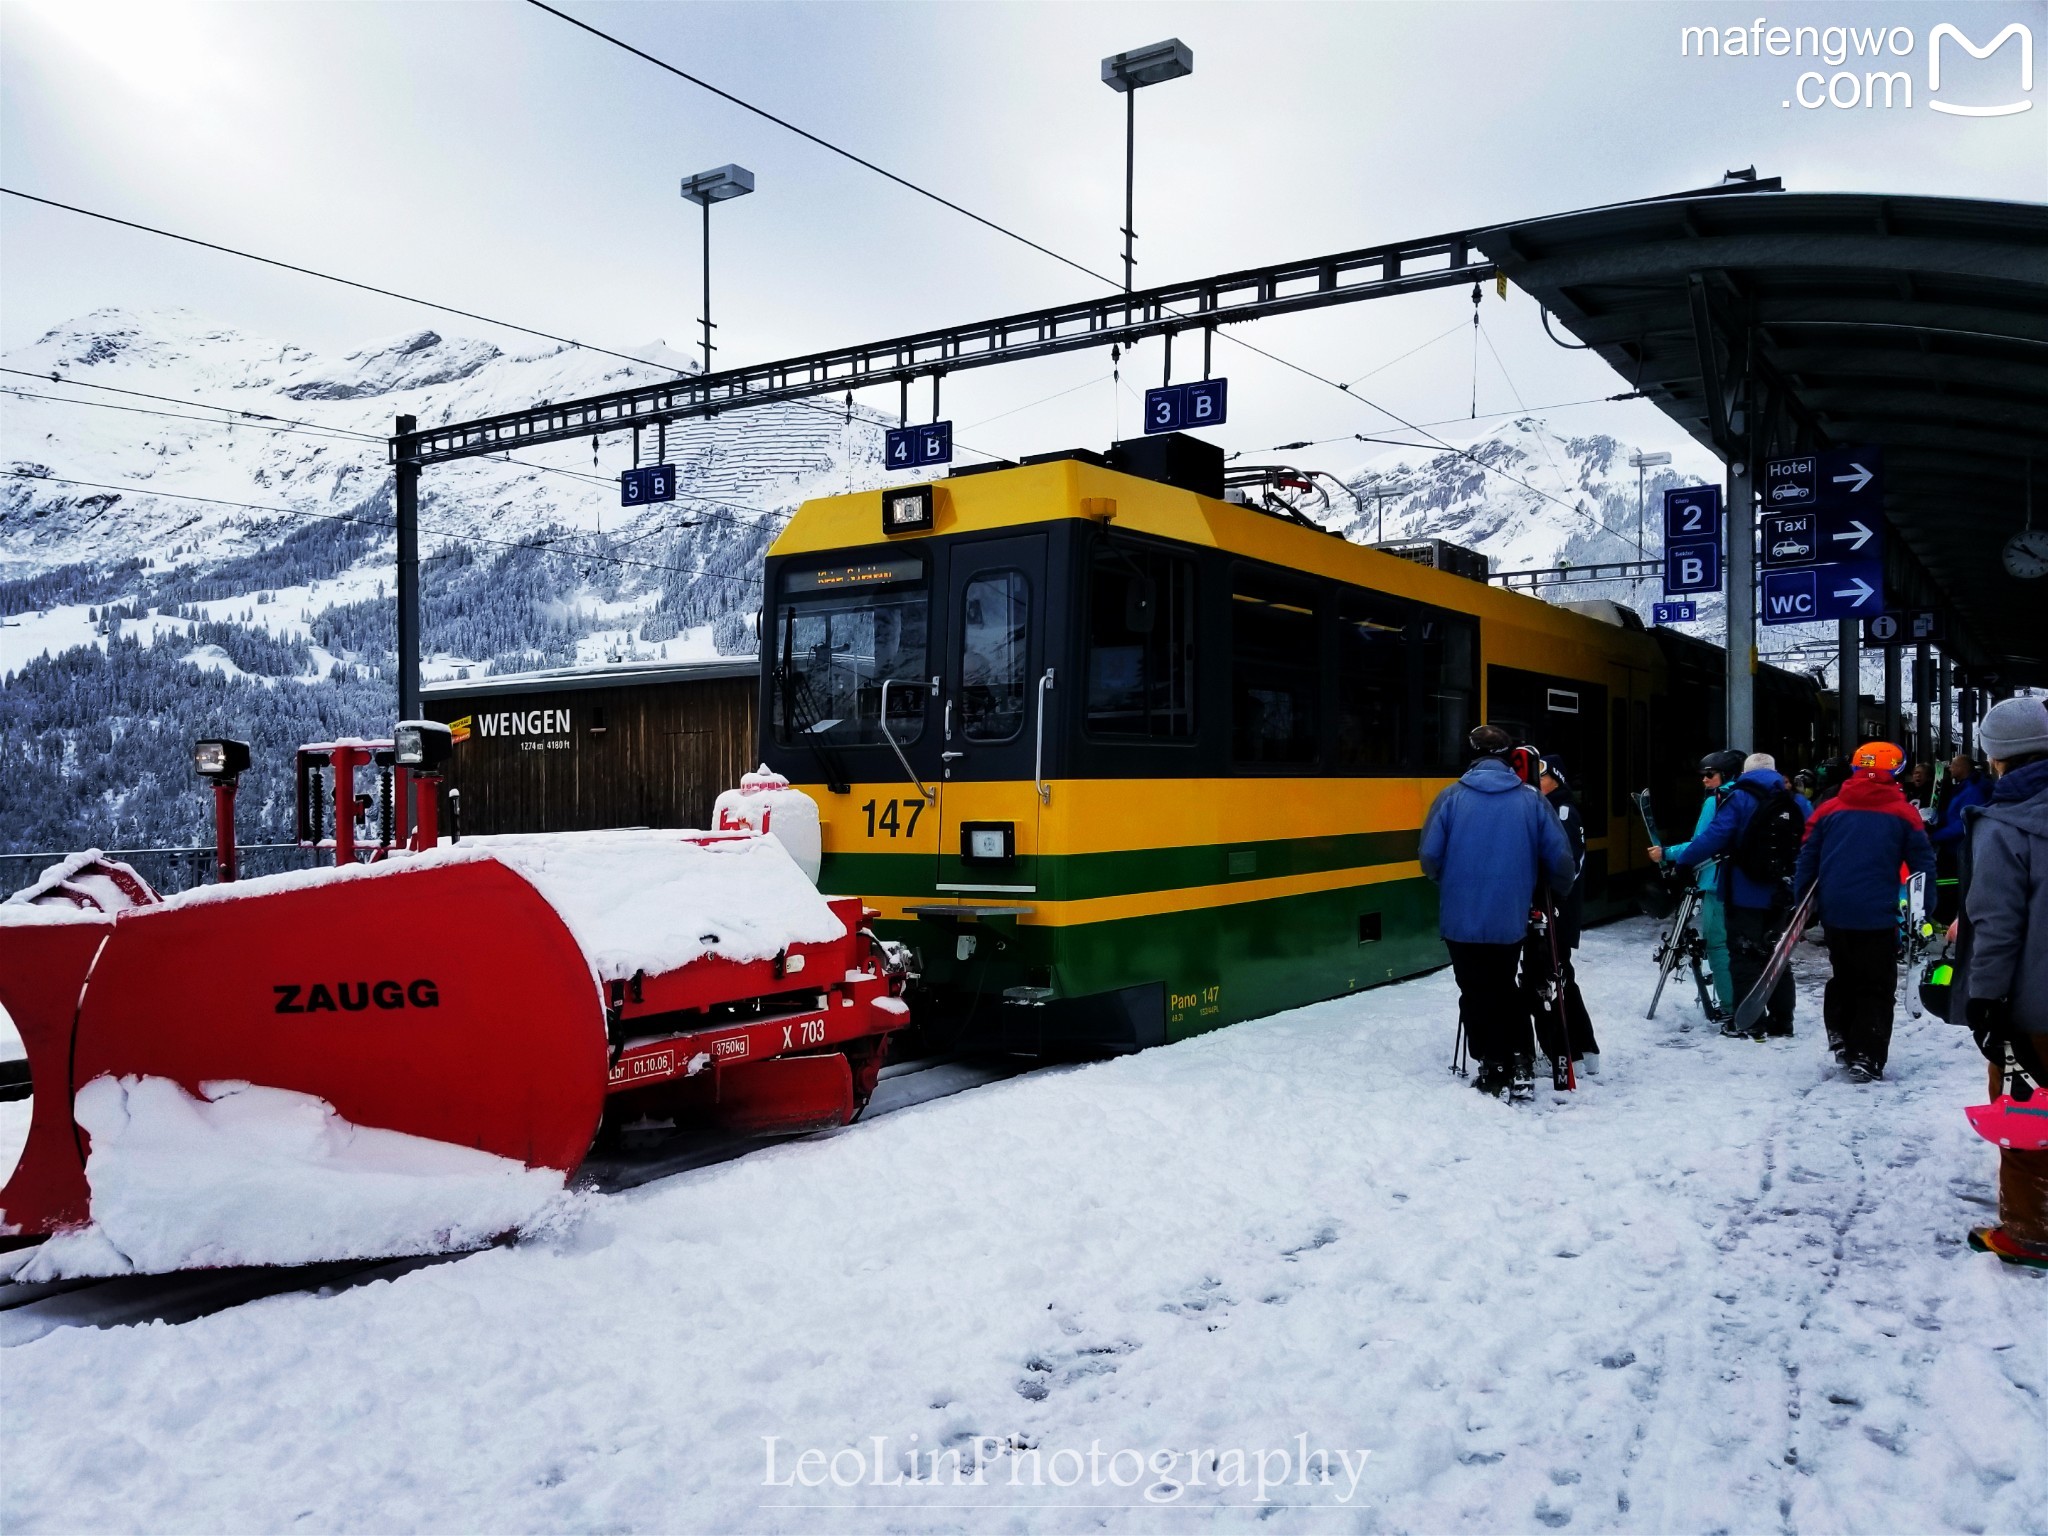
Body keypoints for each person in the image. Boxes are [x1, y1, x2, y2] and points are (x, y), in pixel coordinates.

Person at [1420, 724, 1575, 1101]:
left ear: (1470, 757)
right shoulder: (1531, 800)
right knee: (1505, 983)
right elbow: (1560, 858)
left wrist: (1451, 883)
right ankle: (1517, 1057)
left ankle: (1493, 1063)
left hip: (1460, 918)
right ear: (1510, 758)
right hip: (1509, 917)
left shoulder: (1450, 798)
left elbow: (1429, 857)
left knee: (1473, 988)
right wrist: (1555, 893)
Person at [1949, 696, 2048, 1267]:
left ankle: (2030, 1231)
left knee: (2026, 1110)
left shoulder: (2005, 822)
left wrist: (1985, 1000)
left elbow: (1996, 924)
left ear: (1995, 756)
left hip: (2032, 1004)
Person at [1792, 740, 1935, 1080]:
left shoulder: (1829, 808)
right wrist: (1924, 909)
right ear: (1895, 770)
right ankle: (1867, 1054)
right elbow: (1923, 864)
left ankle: (1841, 1035)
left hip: (1836, 910)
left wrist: (1803, 906)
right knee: (1876, 983)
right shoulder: (1904, 812)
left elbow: (1807, 858)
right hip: (1879, 913)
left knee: (1843, 973)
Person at [1650, 751, 1807, 1038]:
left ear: (1745, 772)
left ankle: (1749, 1021)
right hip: (1781, 893)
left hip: (1744, 891)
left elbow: (1713, 837)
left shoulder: (1739, 798)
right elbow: (1811, 841)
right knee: (1776, 954)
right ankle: (1783, 1020)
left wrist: (1683, 863)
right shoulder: (1795, 801)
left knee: (1744, 955)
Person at [1662, 749, 1746, 1019]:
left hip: (1716, 882)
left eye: (1710, 774)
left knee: (1719, 945)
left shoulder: (1718, 801)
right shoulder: (1752, 797)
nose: (1705, 780)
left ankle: (1731, 1007)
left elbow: (1703, 843)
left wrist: (1667, 853)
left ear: (1726, 775)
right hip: (1748, 884)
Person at [1532, 755, 1600, 1078]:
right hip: (1556, 909)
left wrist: (1548, 899)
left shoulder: (1562, 812)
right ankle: (1582, 1048)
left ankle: (1564, 1051)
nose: (1535, 780)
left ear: (1555, 778)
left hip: (1556, 910)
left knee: (1550, 978)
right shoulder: (1550, 809)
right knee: (1560, 976)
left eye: (1541, 775)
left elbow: (1567, 866)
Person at [1928, 752, 1988, 925]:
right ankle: (1943, 916)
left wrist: (1935, 835)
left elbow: (1963, 823)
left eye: (1953, 764)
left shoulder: (1971, 792)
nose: (1950, 768)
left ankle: (1945, 918)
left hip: (1957, 848)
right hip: (1951, 846)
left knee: (1949, 882)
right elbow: (1953, 815)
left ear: (1962, 768)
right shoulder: (1961, 788)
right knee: (1945, 880)